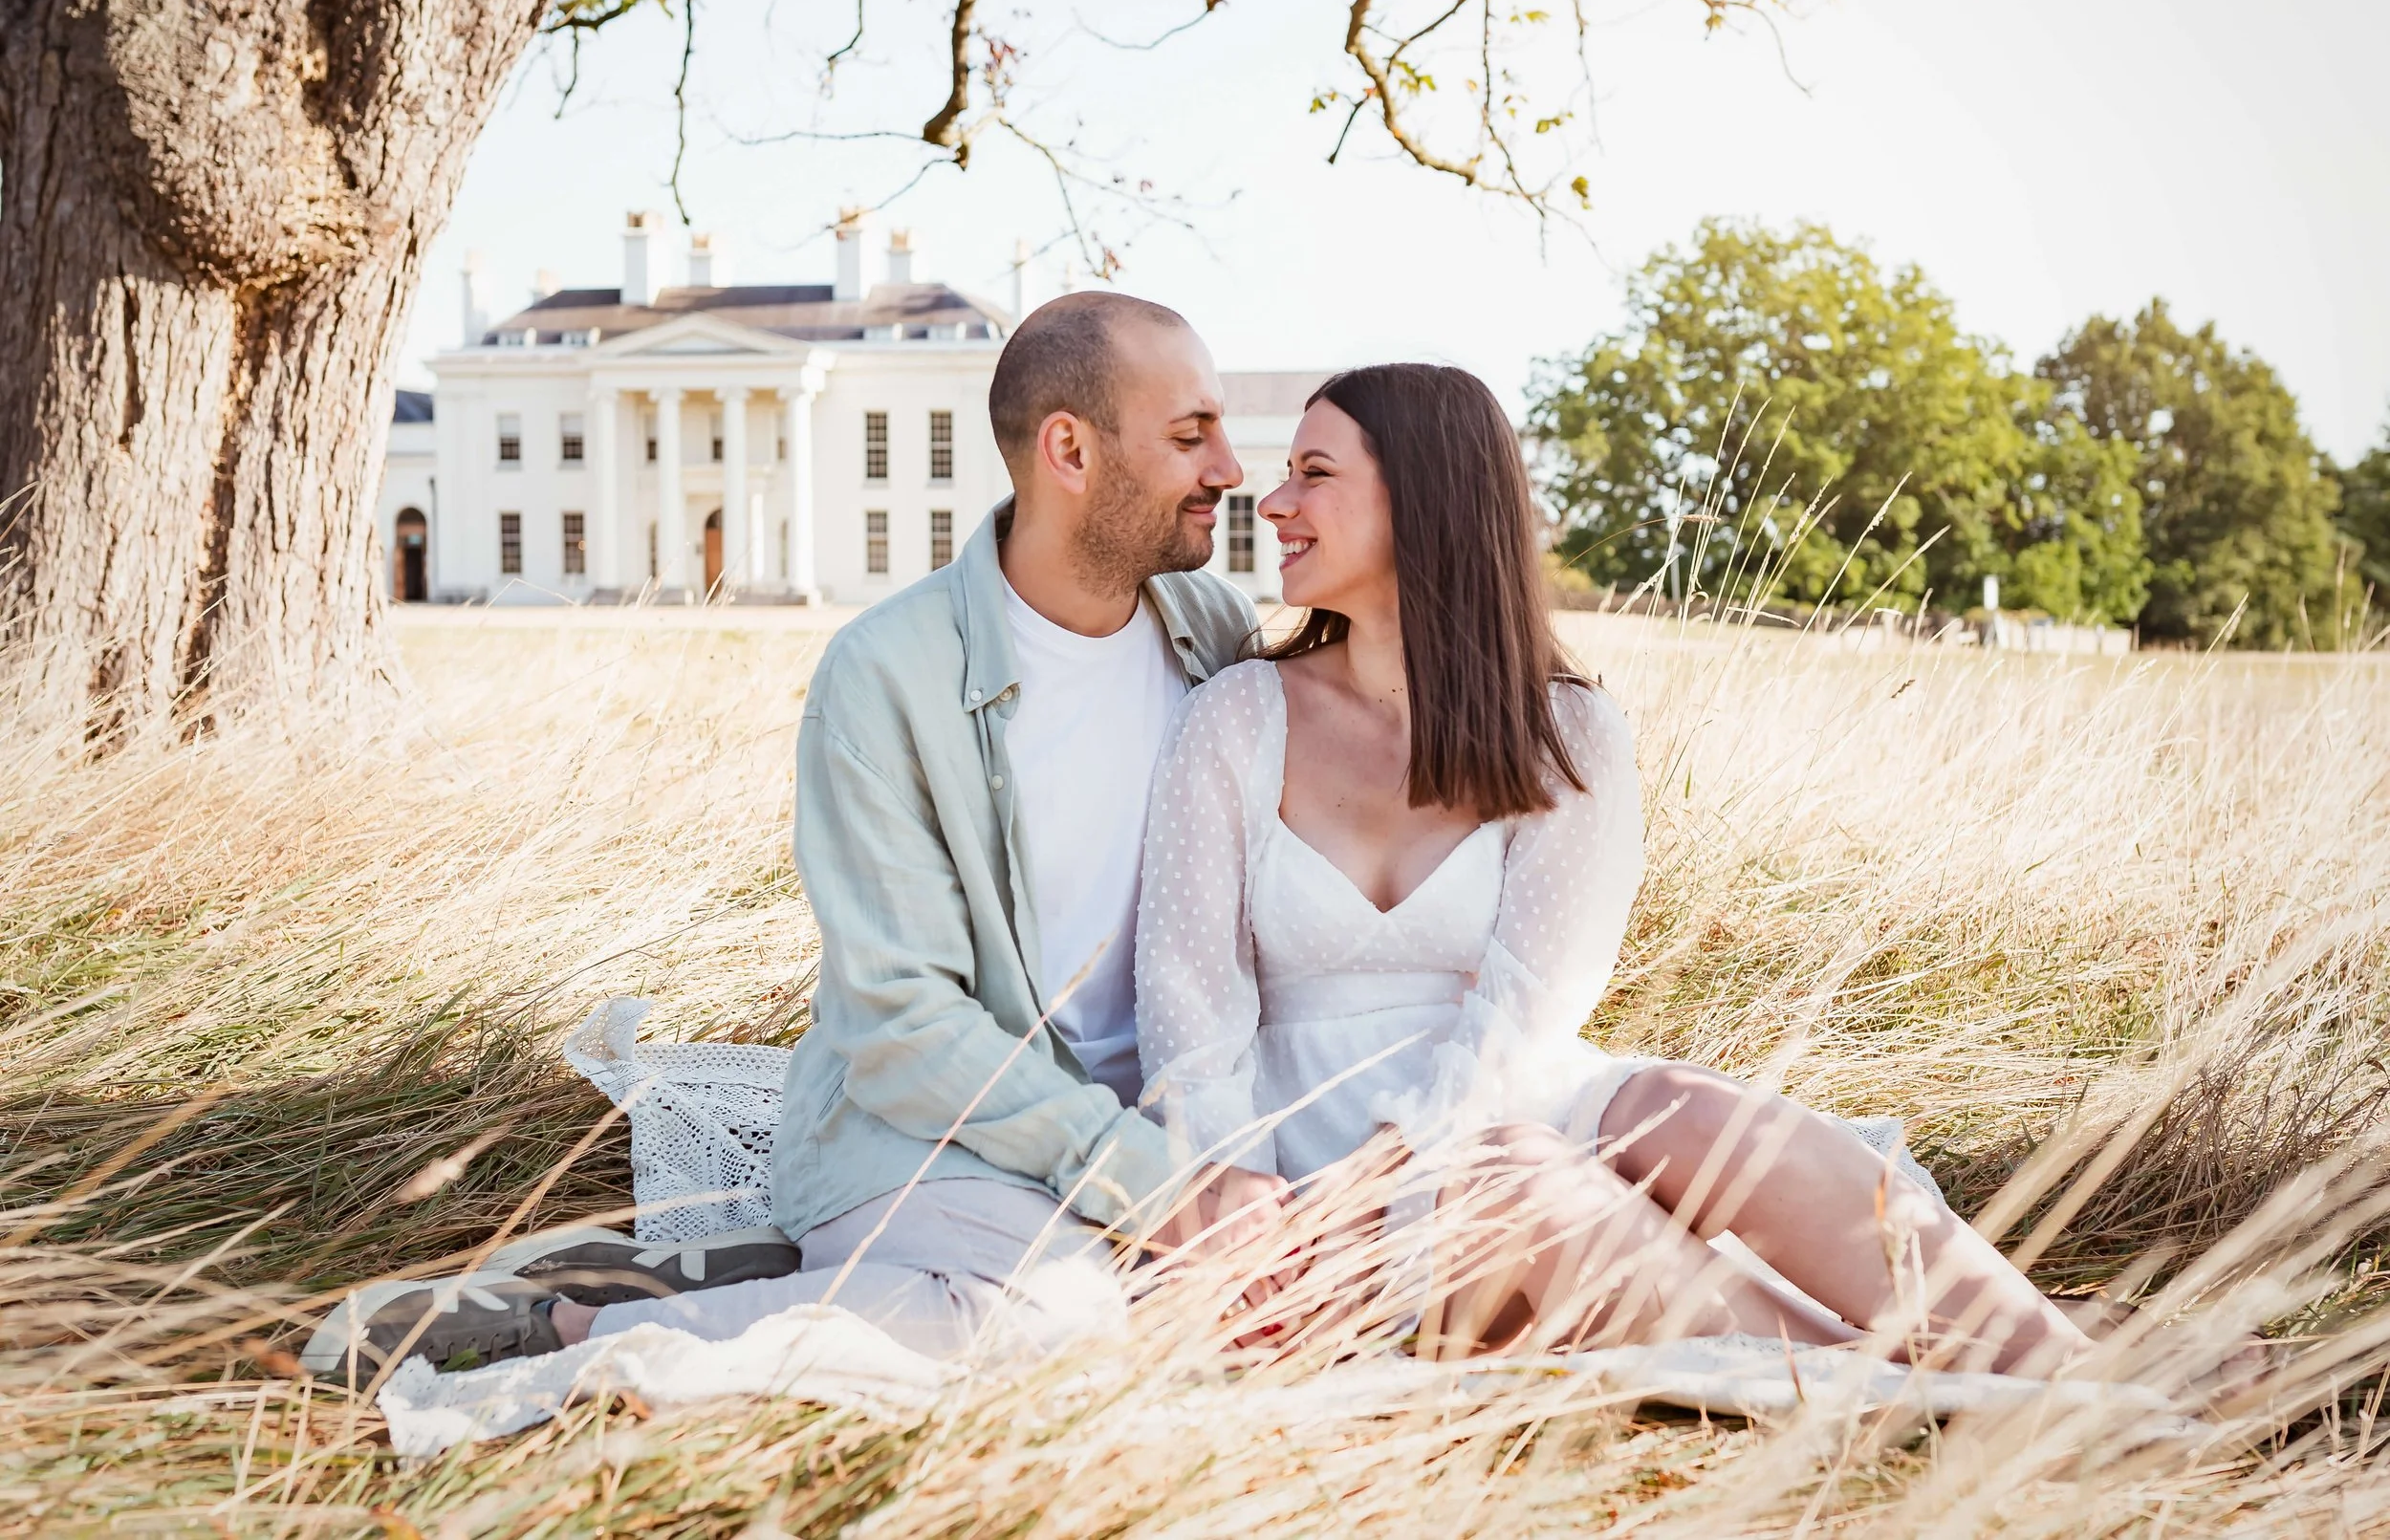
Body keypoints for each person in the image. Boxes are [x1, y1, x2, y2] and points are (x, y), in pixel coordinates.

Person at [332, 293, 1277, 1374]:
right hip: (932, 1133)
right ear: (1067, 448)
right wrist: (1146, 1181)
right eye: (1191, 434)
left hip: (1143, 1121)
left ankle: (769, 1277)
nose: (1230, 468)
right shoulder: (885, 674)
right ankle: (577, 1323)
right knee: (1056, 1327)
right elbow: (904, 1021)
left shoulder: (1214, 632)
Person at [1135, 363, 2094, 1375]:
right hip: (1320, 1179)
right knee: (1507, 1183)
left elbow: (1528, 1010)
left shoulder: (1565, 731)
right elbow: (1188, 1003)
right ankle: (1898, 1373)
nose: (1273, 500)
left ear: (1423, 500)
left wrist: (1413, 1156)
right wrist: (1232, 1176)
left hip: (1497, 1104)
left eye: (1312, 472)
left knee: (1682, 1104)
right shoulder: (1238, 717)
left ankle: (2060, 1362)